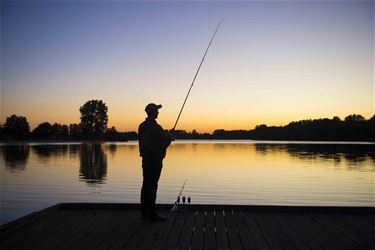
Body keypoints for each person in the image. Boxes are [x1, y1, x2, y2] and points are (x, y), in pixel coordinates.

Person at [138, 103, 173, 221]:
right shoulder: (156, 127)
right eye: (157, 111)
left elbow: (154, 140)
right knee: (153, 186)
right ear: (153, 112)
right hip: (155, 161)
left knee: (146, 185)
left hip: (146, 160)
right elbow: (163, 143)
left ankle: (144, 212)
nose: (158, 112)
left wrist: (166, 136)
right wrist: (169, 138)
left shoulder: (141, 126)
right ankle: (152, 213)